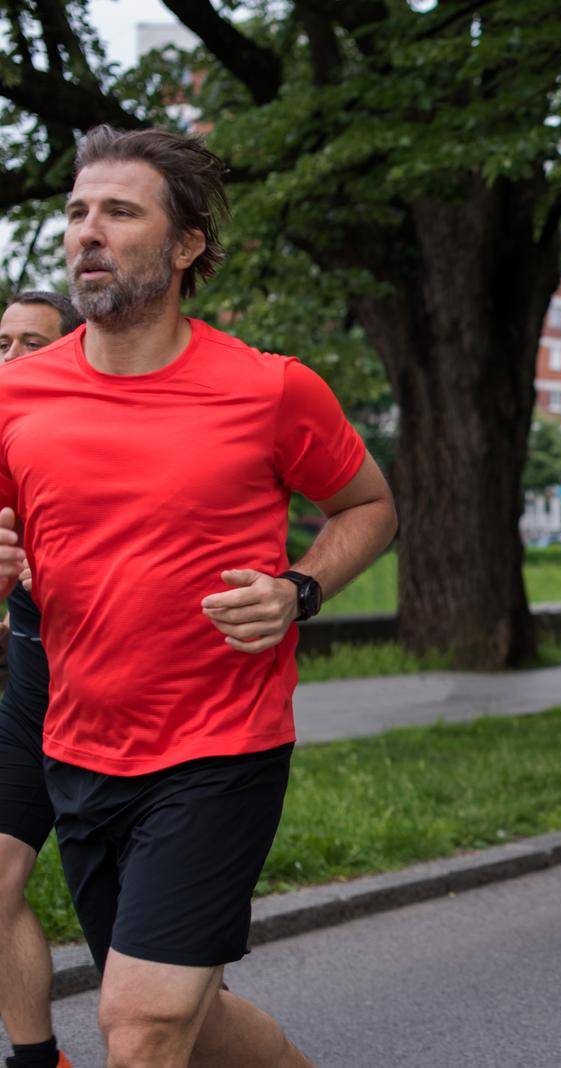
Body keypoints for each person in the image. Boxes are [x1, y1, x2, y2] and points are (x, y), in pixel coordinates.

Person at [0, 125, 397, 1067]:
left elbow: (371, 505)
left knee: (137, 1024)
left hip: (220, 749)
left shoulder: (270, 390)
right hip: (79, 746)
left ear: (185, 248)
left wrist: (300, 589)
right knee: (185, 1019)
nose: (87, 232)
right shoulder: (17, 400)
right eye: (76, 212)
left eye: (120, 212)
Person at [0, 291, 82, 1068]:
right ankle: (36, 1061)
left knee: (149, 954)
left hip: (128, 713)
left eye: (34, 344)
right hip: (32, 696)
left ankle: (192, 1029)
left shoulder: (98, 441)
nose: (13, 361)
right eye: (3, 343)